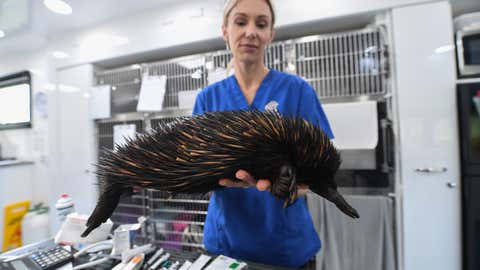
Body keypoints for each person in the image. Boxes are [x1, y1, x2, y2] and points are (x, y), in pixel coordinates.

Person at [192, 0, 333, 267]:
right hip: (226, 246)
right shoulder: (208, 100)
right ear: (225, 30)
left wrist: (290, 187)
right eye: (240, 21)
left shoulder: (297, 92)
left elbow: (320, 170)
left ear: (271, 33)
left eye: (261, 23)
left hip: (286, 248)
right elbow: (195, 168)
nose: (251, 32)